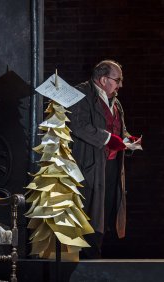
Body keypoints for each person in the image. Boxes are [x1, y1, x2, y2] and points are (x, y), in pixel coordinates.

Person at [68, 60, 141, 258]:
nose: (120, 85)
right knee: (90, 216)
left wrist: (127, 140)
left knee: (106, 213)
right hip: (89, 166)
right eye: (118, 80)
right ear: (103, 79)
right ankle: (86, 266)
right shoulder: (81, 94)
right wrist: (109, 139)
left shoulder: (115, 101)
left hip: (111, 167)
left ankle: (96, 261)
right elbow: (78, 125)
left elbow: (118, 129)